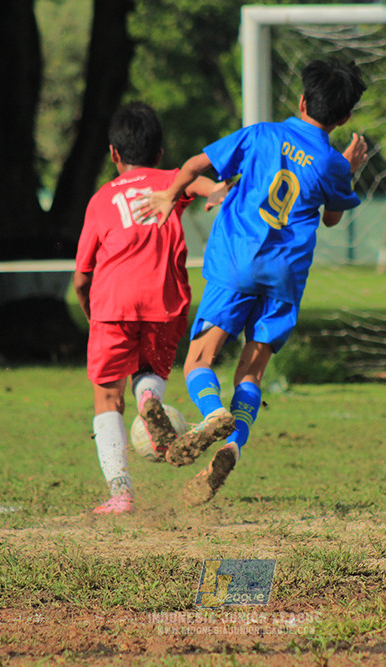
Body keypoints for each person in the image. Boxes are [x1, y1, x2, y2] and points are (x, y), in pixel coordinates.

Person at [146, 59, 368, 506]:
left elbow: (193, 165)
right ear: (344, 118)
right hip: (283, 276)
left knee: (198, 362)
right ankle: (231, 447)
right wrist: (348, 166)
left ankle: (213, 417)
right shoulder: (331, 163)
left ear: (301, 101)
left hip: (236, 262)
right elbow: (331, 217)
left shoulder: (261, 134)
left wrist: (170, 196)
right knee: (252, 370)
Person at [75, 102, 226, 515]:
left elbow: (81, 277)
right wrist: (216, 191)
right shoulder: (170, 181)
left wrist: (92, 312)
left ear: (113, 154)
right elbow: (204, 187)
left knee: (107, 398)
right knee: (152, 370)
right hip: (165, 301)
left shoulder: (101, 199)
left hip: (112, 304)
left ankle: (121, 493)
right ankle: (147, 399)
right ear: (160, 154)